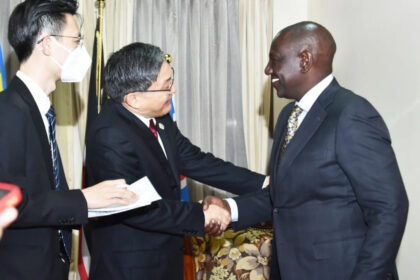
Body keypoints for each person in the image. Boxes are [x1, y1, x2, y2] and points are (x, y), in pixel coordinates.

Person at [204, 21, 409, 280]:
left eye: (275, 60)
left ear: (304, 60)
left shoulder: (351, 114)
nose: (268, 69)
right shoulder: (288, 116)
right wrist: (229, 208)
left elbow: (389, 208)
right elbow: (281, 195)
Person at [85, 42, 267, 280]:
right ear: (134, 99)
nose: (174, 90)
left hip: (165, 255)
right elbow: (138, 209)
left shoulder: (158, 116)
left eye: (171, 81)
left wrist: (263, 184)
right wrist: (203, 215)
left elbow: (195, 160)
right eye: (166, 86)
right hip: (131, 266)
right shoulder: (109, 135)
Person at [0, 1, 137, 279]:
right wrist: (85, 199)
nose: (81, 52)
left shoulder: (37, 108)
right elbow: (10, 203)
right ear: (47, 45)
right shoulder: (9, 111)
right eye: (76, 41)